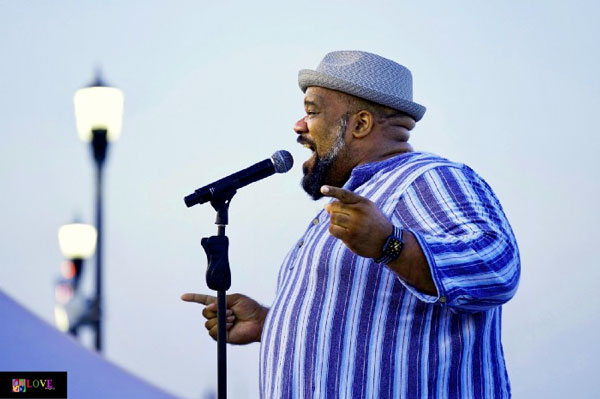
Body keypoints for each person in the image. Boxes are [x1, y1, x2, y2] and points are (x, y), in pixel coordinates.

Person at [182, 50, 520, 399]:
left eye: (312, 111)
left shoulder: (427, 178)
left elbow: (496, 270)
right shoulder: (359, 198)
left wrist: (390, 244)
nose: (299, 125)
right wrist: (274, 325)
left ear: (360, 124)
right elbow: (369, 337)